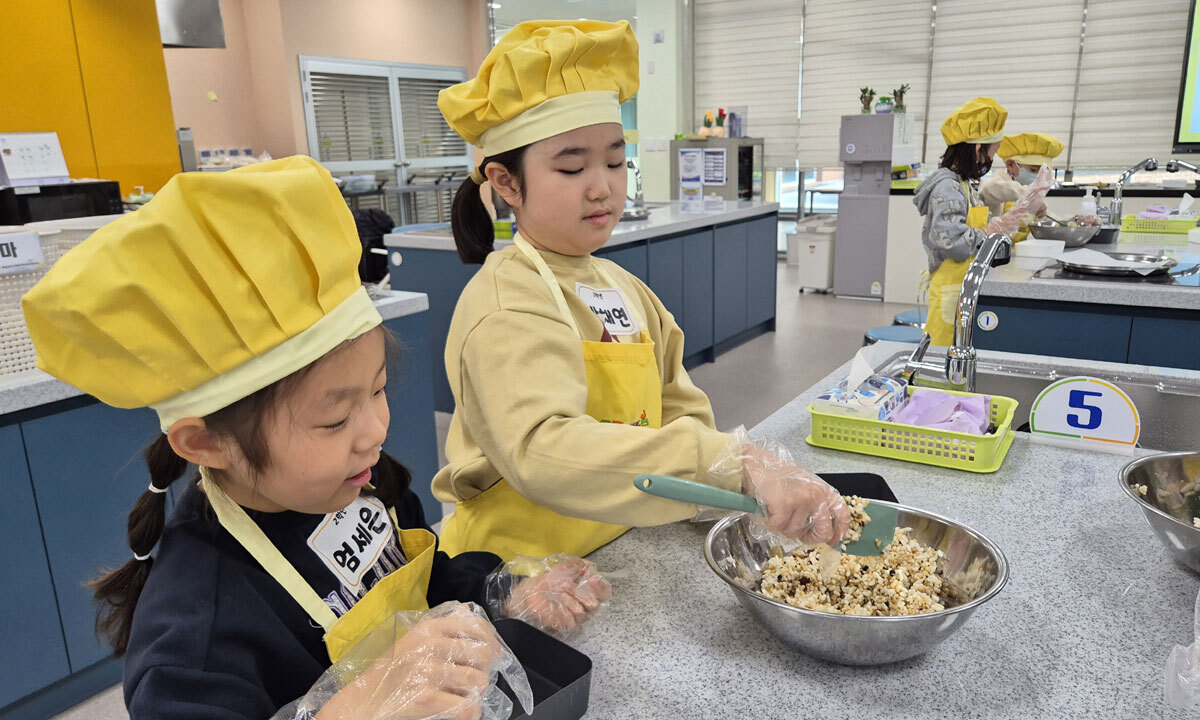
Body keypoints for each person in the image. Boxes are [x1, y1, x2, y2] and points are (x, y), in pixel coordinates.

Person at [21, 156, 607, 719]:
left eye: (377, 392)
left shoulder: (362, 484)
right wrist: (344, 710)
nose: (376, 431)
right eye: (333, 420)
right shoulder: (196, 626)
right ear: (204, 443)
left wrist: (502, 589)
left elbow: (414, 580)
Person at [431, 19, 850, 561]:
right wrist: (735, 462)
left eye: (613, 159)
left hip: (623, 542)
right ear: (507, 182)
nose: (602, 185)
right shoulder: (507, 302)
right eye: (572, 166)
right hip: (528, 571)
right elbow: (541, 451)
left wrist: (736, 489)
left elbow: (678, 408)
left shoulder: (622, 286)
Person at [913, 98, 1047, 346]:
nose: (993, 159)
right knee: (943, 362)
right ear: (978, 149)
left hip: (960, 288)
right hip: (949, 292)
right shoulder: (948, 188)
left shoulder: (963, 185)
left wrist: (999, 225)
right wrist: (991, 230)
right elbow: (953, 243)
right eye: (994, 151)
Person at [979, 132, 1064, 218]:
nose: (1038, 176)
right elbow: (989, 188)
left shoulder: (1026, 188)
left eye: (1042, 172)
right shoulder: (997, 181)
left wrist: (1065, 222)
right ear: (1010, 165)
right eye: (1033, 170)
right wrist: (1030, 196)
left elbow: (1042, 216)